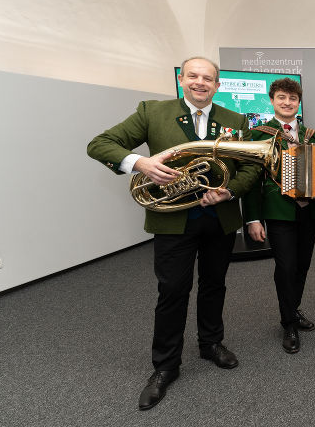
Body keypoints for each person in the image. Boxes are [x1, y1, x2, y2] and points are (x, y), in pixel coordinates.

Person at [86, 57, 261, 410]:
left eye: (208, 78)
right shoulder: (152, 112)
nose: (200, 82)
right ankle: (165, 365)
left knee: (214, 285)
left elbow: (251, 168)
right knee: (172, 291)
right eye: (193, 76)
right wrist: (141, 163)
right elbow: (100, 144)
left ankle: (211, 343)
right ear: (182, 79)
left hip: (219, 218)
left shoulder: (236, 120)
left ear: (218, 84)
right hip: (173, 222)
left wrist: (229, 191)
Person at [242, 78, 315, 353]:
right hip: (278, 211)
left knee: (302, 265)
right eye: (281, 97)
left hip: (308, 211)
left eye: (292, 98)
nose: (287, 102)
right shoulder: (257, 136)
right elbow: (250, 181)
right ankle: (288, 323)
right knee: (286, 267)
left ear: (298, 102)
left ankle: (293, 308)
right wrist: (253, 219)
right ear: (272, 100)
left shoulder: (311, 135)